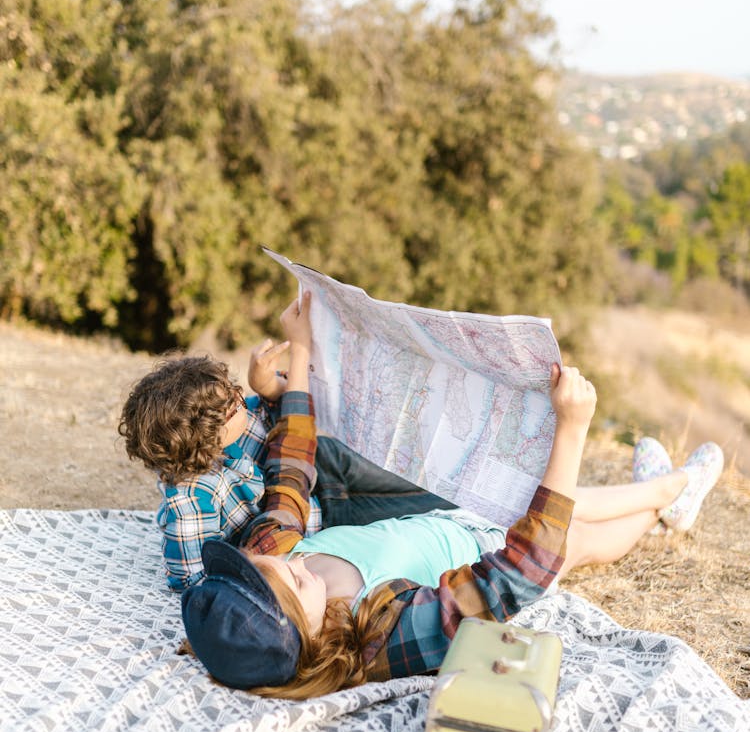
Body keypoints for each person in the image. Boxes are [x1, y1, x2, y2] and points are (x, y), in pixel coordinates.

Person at [181, 293, 724, 699]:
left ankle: (670, 492)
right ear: (308, 636)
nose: (290, 565)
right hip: (491, 552)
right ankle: (669, 498)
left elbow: (290, 470)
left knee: (570, 503)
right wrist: (572, 429)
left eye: (265, 565)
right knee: (575, 534)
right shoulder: (378, 637)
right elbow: (519, 571)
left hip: (452, 518)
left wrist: (300, 353)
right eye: (296, 583)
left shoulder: (274, 549)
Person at [118, 309, 454, 591]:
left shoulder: (241, 416)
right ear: (207, 439)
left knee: (432, 484)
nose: (240, 398)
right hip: (324, 522)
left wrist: (268, 385)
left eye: (234, 389)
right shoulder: (190, 500)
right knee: (436, 515)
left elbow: (281, 410)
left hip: (325, 466)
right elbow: (192, 580)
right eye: (232, 403)